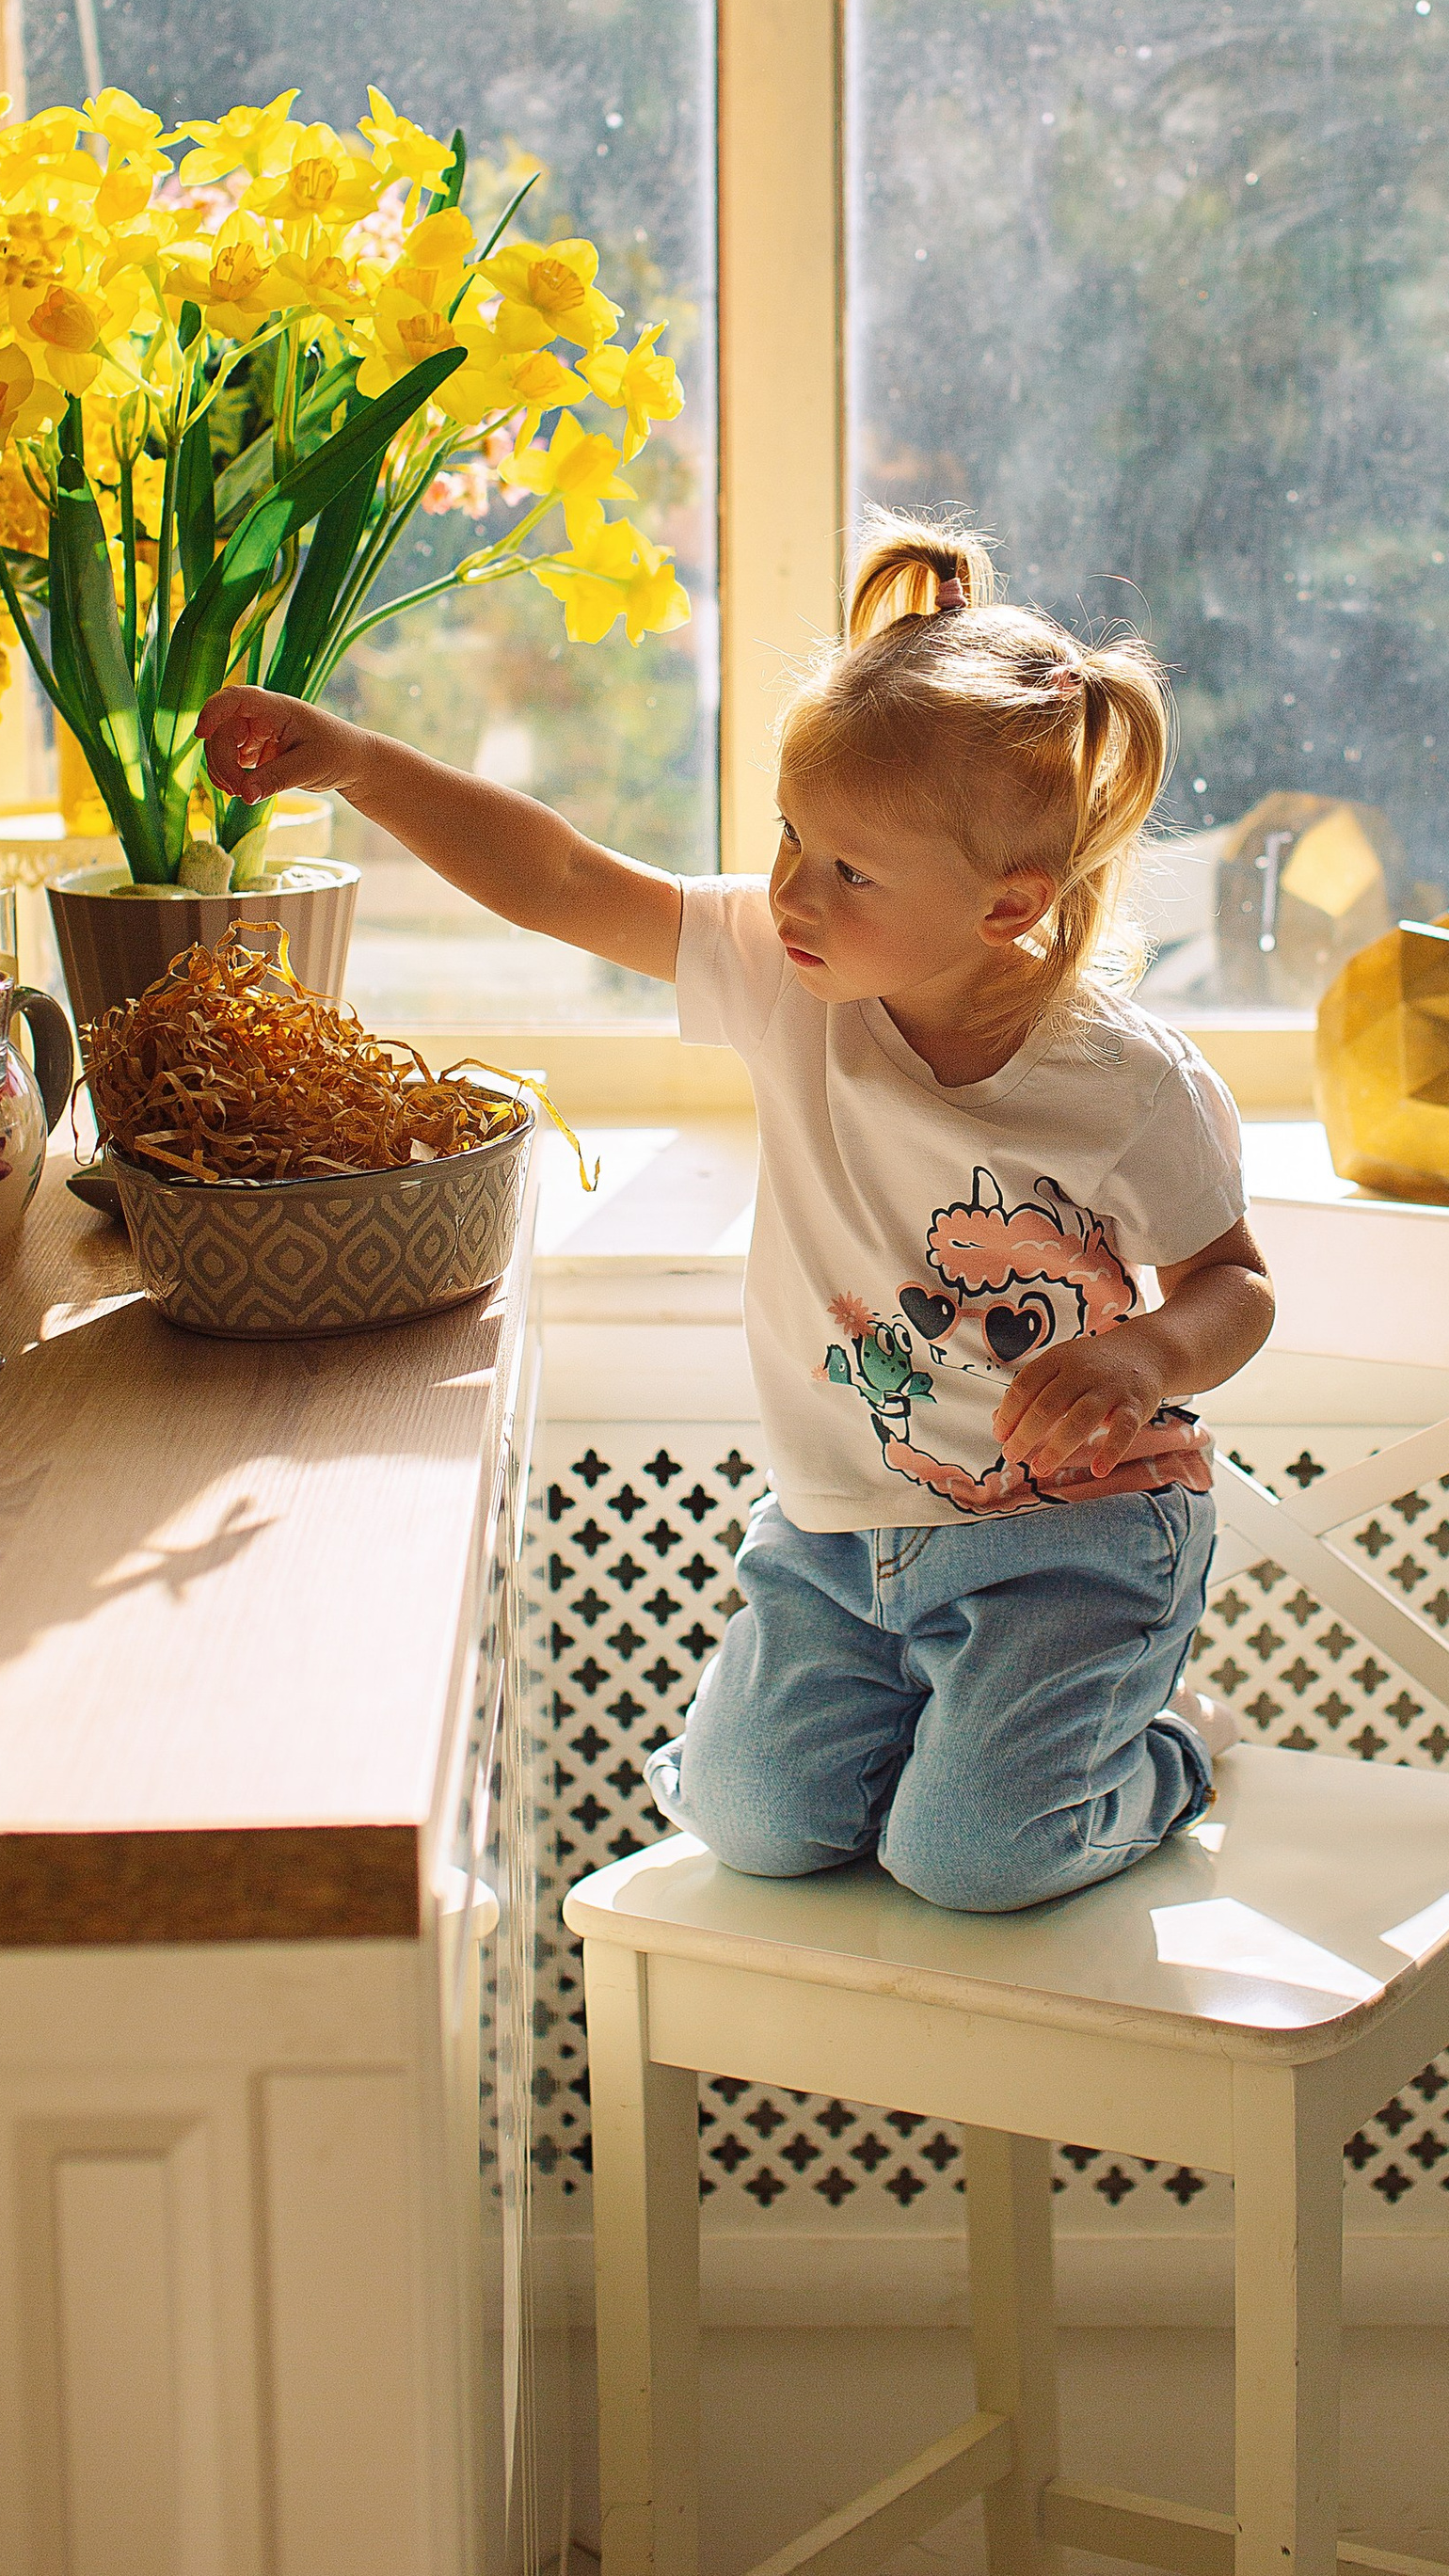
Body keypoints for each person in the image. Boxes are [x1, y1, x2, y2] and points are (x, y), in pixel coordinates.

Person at [196, 516, 1274, 1914]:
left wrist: (1145, 1358)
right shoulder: (788, 971)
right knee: (754, 1825)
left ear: (1010, 906)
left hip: (1067, 1545)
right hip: (836, 1535)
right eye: (790, 839)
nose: (788, 891)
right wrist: (358, 763)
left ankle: (1171, 1752)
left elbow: (1234, 1284)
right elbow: (565, 881)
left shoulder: (1122, 1084)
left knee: (969, 1864)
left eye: (850, 870)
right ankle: (961, 1760)